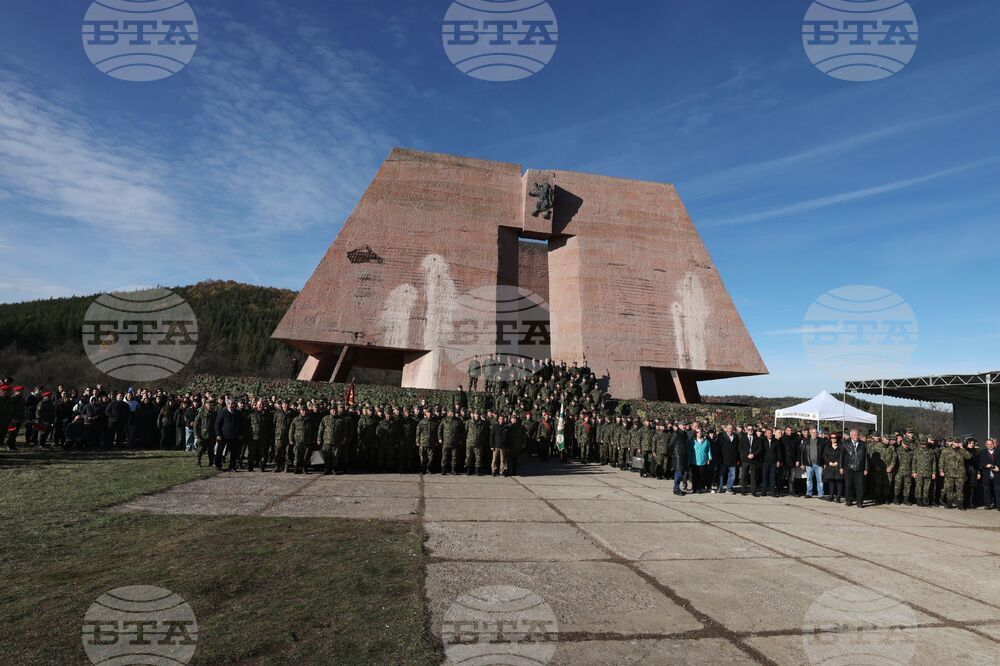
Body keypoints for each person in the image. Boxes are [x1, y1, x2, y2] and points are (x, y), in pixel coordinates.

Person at [938, 438, 971, 510]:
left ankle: (960, 505)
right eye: (956, 442)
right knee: (949, 489)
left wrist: (962, 448)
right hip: (949, 473)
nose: (957, 444)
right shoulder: (946, 451)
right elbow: (941, 462)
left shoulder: (962, 450)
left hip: (960, 473)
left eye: (958, 442)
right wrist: (941, 471)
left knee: (960, 490)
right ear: (952, 442)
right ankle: (949, 503)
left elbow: (969, 457)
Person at [842, 429, 868, 508]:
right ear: (850, 436)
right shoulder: (845, 443)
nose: (856, 436)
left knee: (860, 487)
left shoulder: (863, 444)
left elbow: (866, 457)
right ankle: (849, 501)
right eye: (854, 435)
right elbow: (841, 456)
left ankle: (859, 502)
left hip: (860, 469)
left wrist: (866, 468)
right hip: (848, 468)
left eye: (857, 435)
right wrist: (841, 467)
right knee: (849, 486)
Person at [800, 427, 827, 499]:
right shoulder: (806, 441)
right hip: (809, 464)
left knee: (820, 480)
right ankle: (809, 493)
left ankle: (821, 494)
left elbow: (824, 453)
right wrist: (802, 463)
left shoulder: (821, 441)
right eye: (813, 432)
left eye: (816, 432)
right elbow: (802, 453)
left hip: (819, 464)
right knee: (809, 479)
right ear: (810, 433)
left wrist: (824, 463)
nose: (815, 434)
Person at [738, 425, 763, 497]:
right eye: (749, 429)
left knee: (753, 476)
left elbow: (760, 449)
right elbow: (740, 448)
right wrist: (747, 454)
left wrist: (753, 454)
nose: (750, 431)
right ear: (746, 430)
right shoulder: (742, 438)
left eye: (751, 429)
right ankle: (743, 490)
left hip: (754, 460)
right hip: (745, 459)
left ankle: (753, 491)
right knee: (744, 475)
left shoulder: (758, 439)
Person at [716, 424, 739, 494]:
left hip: (733, 459)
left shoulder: (736, 437)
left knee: (732, 475)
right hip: (723, 459)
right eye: (729, 428)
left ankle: (729, 488)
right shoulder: (721, 436)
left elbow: (737, 448)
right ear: (726, 429)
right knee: (721, 474)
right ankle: (720, 487)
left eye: (731, 428)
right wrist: (719, 458)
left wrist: (738, 459)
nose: (730, 430)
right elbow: (718, 448)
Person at [760, 428, 783, 497]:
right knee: (764, 477)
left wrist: (778, 461)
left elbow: (779, 452)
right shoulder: (763, 441)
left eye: (770, 433)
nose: (770, 434)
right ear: (766, 434)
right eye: (768, 433)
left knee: (772, 477)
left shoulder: (776, 441)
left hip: (773, 462)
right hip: (765, 462)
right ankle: (764, 491)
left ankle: (772, 491)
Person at [689, 425, 712, 493]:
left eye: (700, 432)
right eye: (697, 432)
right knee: (694, 476)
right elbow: (690, 451)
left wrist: (709, 458)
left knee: (702, 476)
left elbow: (709, 450)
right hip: (694, 461)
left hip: (703, 461)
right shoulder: (692, 441)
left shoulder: (706, 441)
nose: (699, 433)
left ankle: (700, 488)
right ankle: (694, 488)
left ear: (702, 432)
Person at [822, 433, 843, 502]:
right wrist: (829, 462)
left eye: (835, 437)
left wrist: (838, 462)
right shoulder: (827, 446)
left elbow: (843, 455)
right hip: (830, 466)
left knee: (839, 482)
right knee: (831, 481)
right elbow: (824, 455)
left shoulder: (841, 446)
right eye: (832, 437)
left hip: (838, 466)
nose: (833, 439)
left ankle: (838, 497)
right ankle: (831, 496)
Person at [979, 439, 999, 510]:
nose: (990, 445)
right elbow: (980, 463)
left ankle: (998, 505)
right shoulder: (982, 452)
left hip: (997, 474)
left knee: (998, 490)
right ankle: (988, 504)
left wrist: (998, 468)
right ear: (986, 445)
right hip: (986, 474)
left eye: (991, 444)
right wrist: (985, 465)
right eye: (988, 444)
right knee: (987, 490)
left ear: (993, 444)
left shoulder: (998, 451)